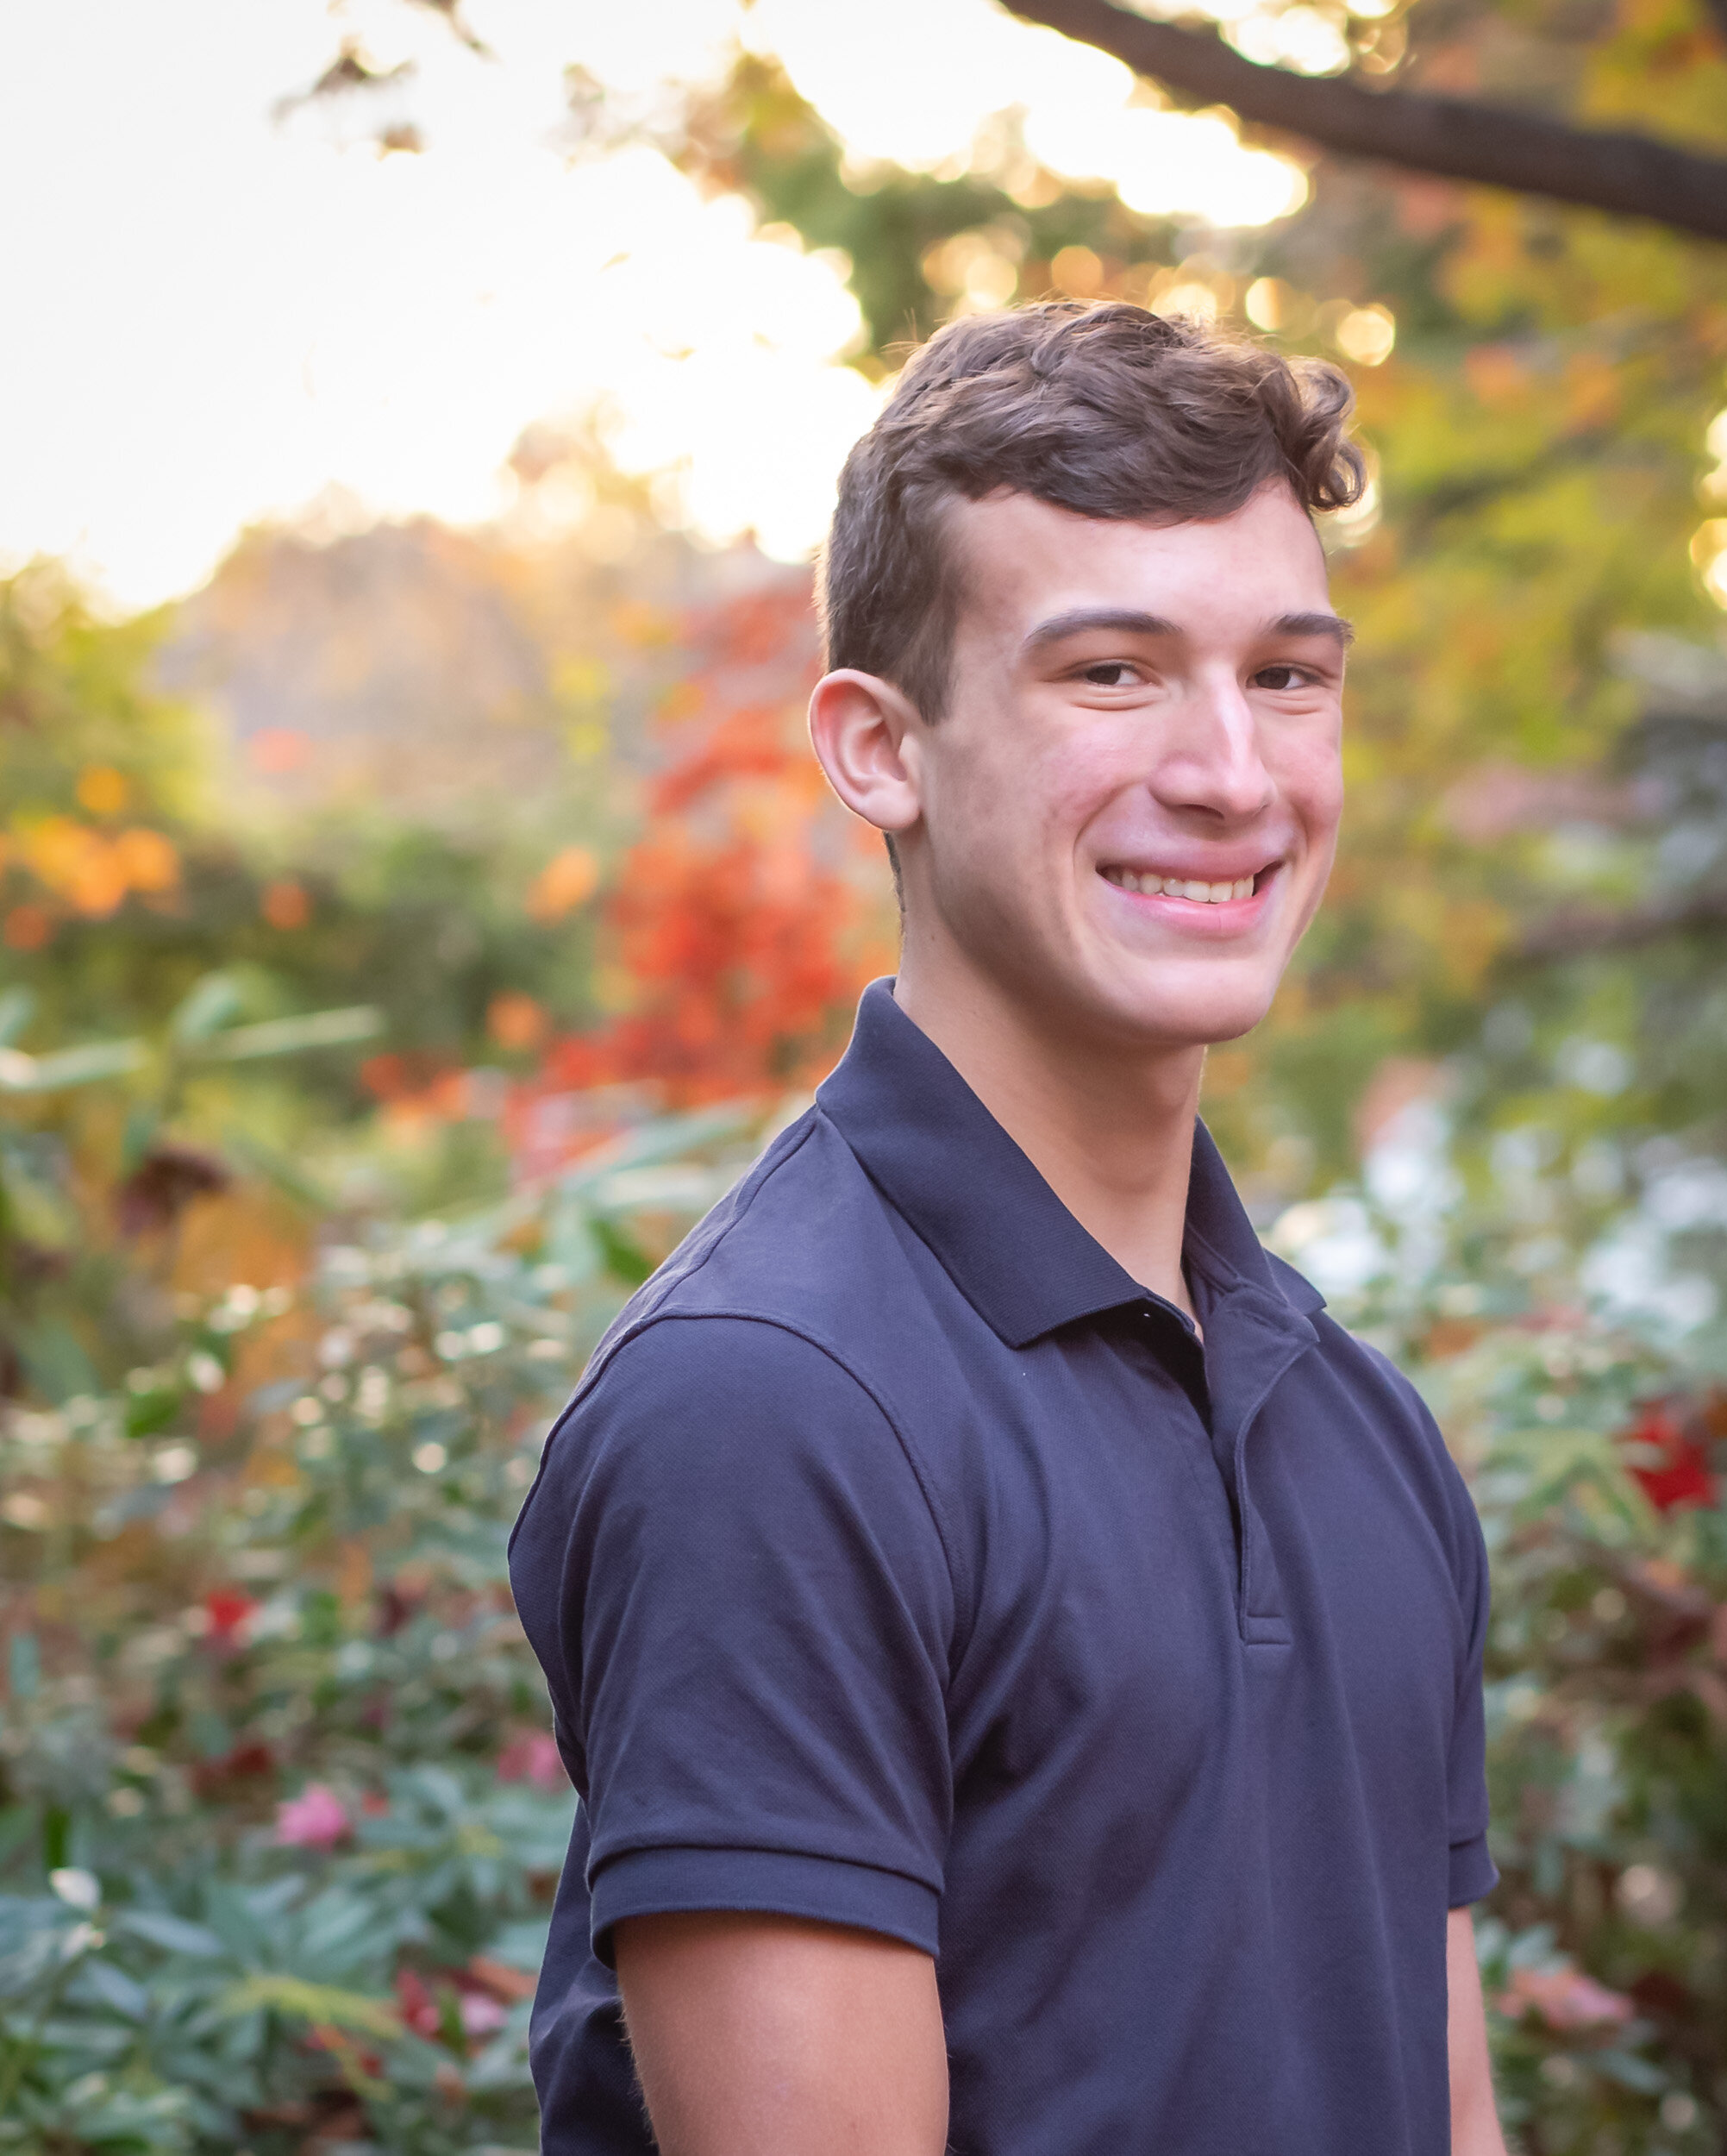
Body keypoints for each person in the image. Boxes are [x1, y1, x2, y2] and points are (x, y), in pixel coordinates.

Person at [509, 300, 1506, 2156]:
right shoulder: (771, 1410)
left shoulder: (1351, 1418)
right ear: (879, 749)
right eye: (1113, 673)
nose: (1229, 769)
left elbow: (1445, 2118)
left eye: (1287, 676)